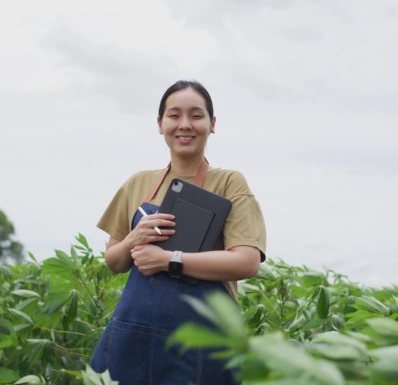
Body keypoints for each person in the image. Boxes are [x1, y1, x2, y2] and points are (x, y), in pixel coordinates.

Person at [90, 80, 266, 384]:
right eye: (174, 115)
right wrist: (134, 239)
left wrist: (169, 259)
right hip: (135, 334)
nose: (185, 124)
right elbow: (114, 261)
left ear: (212, 124)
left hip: (202, 339)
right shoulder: (138, 182)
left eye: (196, 116)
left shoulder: (229, 183)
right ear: (160, 124)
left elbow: (246, 262)